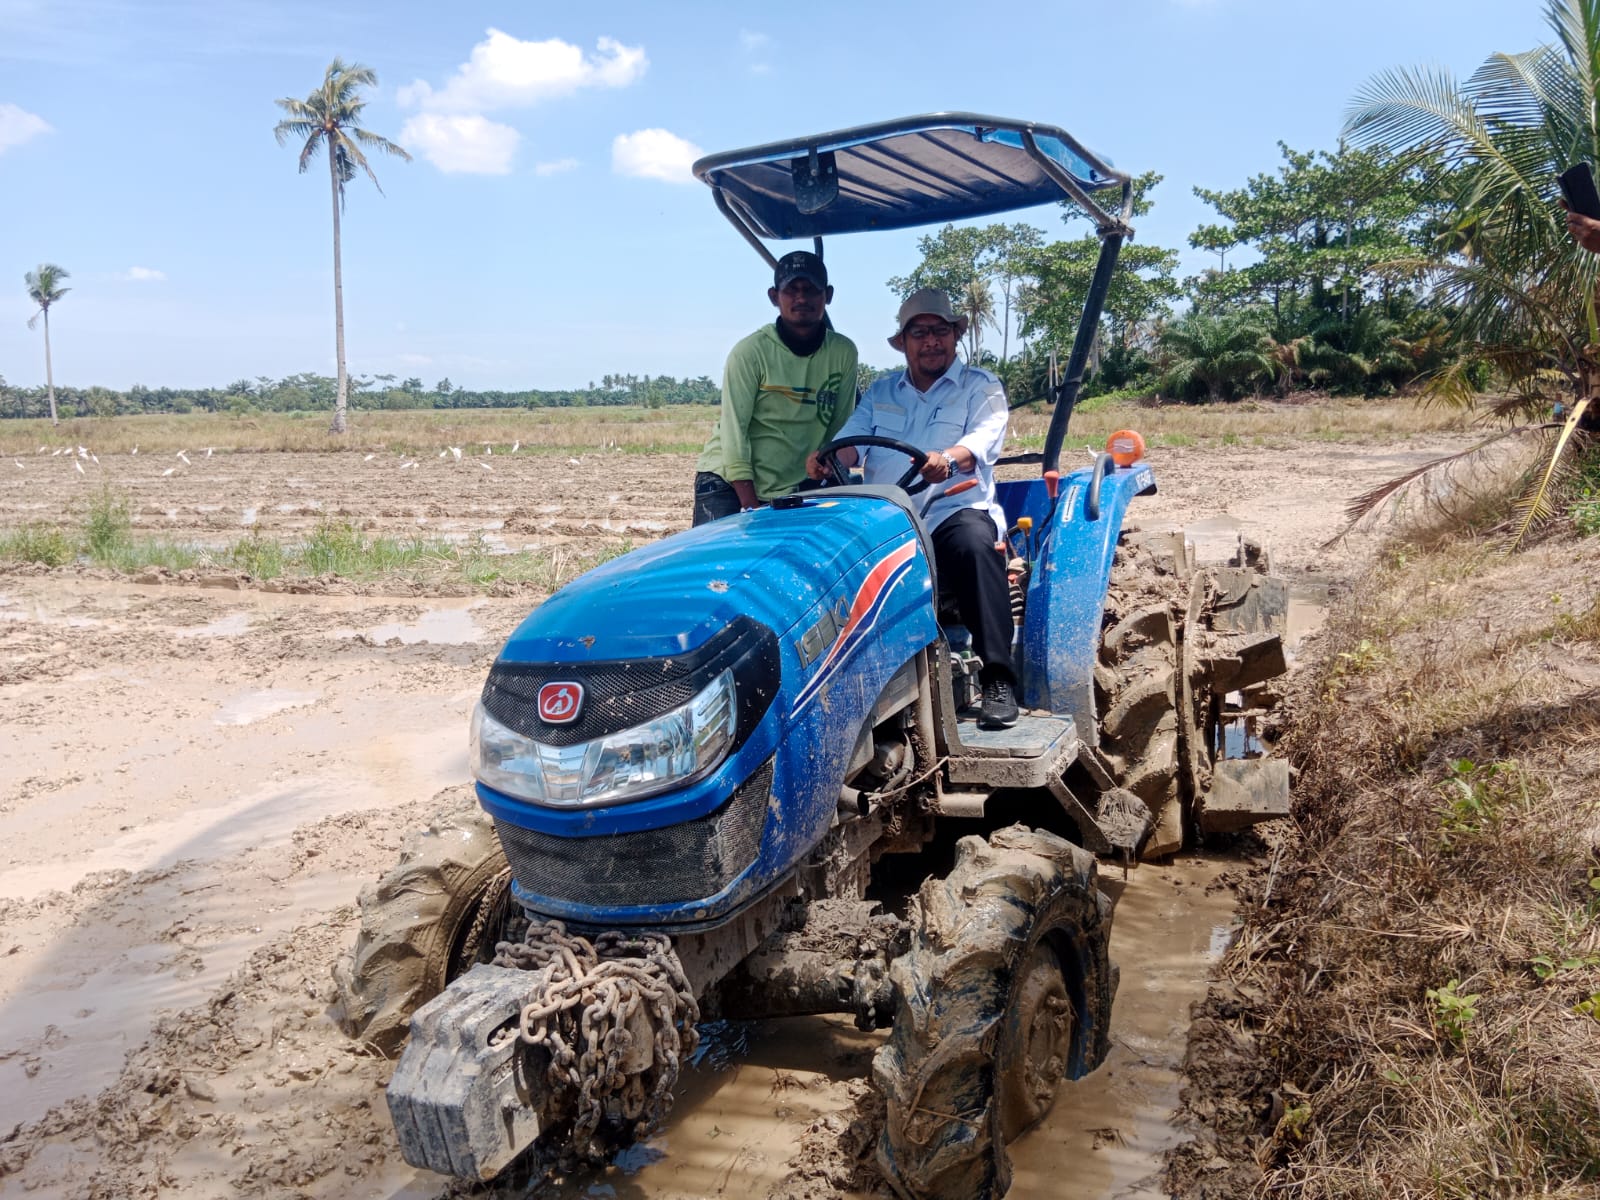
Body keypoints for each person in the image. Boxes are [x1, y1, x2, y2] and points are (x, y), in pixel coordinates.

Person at [806, 287, 1019, 729]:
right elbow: (854, 441)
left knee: (975, 545)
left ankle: (998, 677)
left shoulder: (981, 387)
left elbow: (982, 440)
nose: (931, 341)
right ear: (903, 342)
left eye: (940, 331)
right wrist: (829, 458)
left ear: (956, 335)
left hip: (949, 511)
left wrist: (949, 458)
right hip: (886, 520)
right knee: (823, 556)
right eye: (919, 332)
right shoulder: (883, 390)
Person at [692, 251, 858, 525]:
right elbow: (735, 433)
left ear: (827, 295)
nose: (801, 298)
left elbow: (838, 429)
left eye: (811, 290)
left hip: (791, 482)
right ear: (773, 296)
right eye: (791, 290)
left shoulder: (843, 352)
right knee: (723, 564)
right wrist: (750, 508)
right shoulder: (750, 352)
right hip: (729, 481)